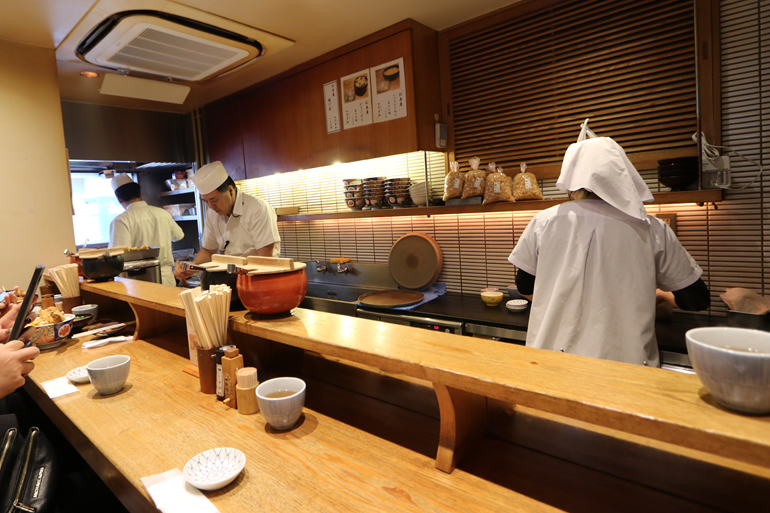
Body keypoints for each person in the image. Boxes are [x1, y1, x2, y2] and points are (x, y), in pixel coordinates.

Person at [508, 131, 710, 367]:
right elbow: (696, 299)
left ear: (573, 180)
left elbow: (524, 286)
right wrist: (659, 295)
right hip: (625, 366)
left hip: (551, 361)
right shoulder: (651, 228)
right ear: (622, 175)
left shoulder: (544, 221)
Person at [173, 161, 280, 282]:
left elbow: (265, 257)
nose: (211, 206)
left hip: (258, 280)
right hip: (229, 279)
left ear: (230, 190)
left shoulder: (257, 209)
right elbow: (208, 251)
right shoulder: (212, 214)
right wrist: (191, 268)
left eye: (214, 200)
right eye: (206, 202)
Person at [110, 174, 185, 287]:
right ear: (140, 194)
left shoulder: (121, 220)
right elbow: (179, 236)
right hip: (167, 279)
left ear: (118, 198)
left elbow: (118, 256)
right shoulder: (163, 213)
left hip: (138, 281)